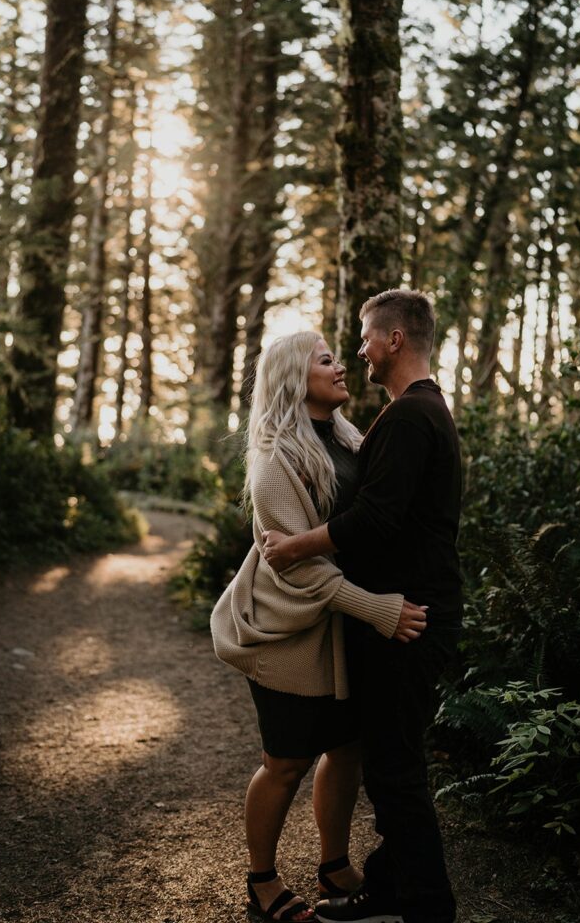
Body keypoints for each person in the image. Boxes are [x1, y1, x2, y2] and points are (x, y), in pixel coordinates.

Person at [210, 331, 428, 923]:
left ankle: (333, 864)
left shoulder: (352, 437)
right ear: (291, 377)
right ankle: (261, 881)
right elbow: (298, 565)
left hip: (340, 629)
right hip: (286, 631)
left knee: (347, 749)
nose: (342, 367)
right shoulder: (274, 457)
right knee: (285, 761)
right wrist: (379, 610)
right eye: (327, 359)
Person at [262, 290, 463, 923]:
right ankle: (387, 883)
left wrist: (296, 546)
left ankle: (422, 905)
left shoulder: (406, 418)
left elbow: (373, 520)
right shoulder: (418, 413)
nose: (358, 352)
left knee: (394, 769)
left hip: (405, 616)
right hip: (388, 614)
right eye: (332, 354)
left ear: (395, 340)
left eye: (365, 338)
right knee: (382, 760)